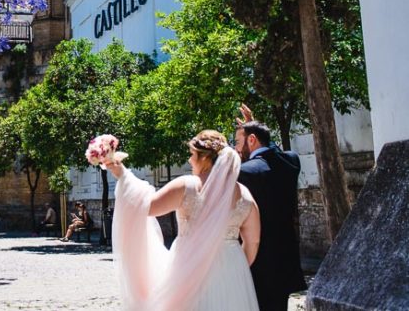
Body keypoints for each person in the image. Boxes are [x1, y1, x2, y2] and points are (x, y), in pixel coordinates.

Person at [106, 130, 261, 310]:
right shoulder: (245, 194)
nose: (189, 160)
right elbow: (253, 241)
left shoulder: (187, 186)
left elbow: (145, 206)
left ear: (204, 158)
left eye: (192, 154)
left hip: (189, 270)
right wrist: (236, 268)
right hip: (233, 271)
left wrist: (124, 175)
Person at [234, 105, 307, 311]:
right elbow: (273, 152)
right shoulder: (291, 161)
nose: (237, 149)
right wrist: (255, 126)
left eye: (238, 142)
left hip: (261, 259)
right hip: (287, 256)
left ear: (251, 140)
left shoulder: (245, 172)